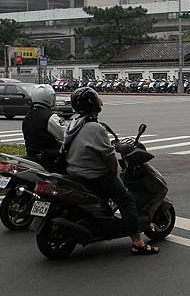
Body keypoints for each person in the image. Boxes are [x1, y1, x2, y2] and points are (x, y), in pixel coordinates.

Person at [64, 86, 160, 256]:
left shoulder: (74, 123)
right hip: (93, 175)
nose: (100, 102)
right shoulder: (95, 128)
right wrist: (115, 174)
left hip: (74, 172)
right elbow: (110, 159)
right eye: (96, 99)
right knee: (126, 200)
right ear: (92, 104)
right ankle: (138, 243)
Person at [22, 84, 66, 171]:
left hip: (32, 156)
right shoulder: (51, 117)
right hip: (49, 159)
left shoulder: (27, 116)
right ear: (50, 98)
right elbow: (67, 135)